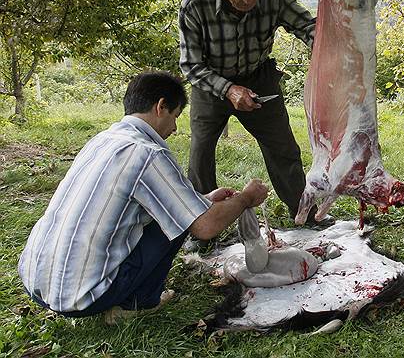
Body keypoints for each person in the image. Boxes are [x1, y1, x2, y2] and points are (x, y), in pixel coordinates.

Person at [18, 71, 270, 324]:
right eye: (175, 116)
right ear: (161, 106)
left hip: (35, 283)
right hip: (84, 298)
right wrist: (246, 198)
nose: (174, 128)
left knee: (179, 211)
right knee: (179, 221)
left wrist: (204, 199)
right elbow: (204, 227)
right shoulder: (148, 153)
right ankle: (139, 303)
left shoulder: (103, 140)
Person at [179, 0, 325, 247]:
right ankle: (202, 225)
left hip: (260, 79)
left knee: (283, 148)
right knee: (201, 152)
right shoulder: (195, 3)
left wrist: (328, 50)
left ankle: (305, 213)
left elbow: (310, 28)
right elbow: (190, 65)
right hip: (211, 84)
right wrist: (229, 89)